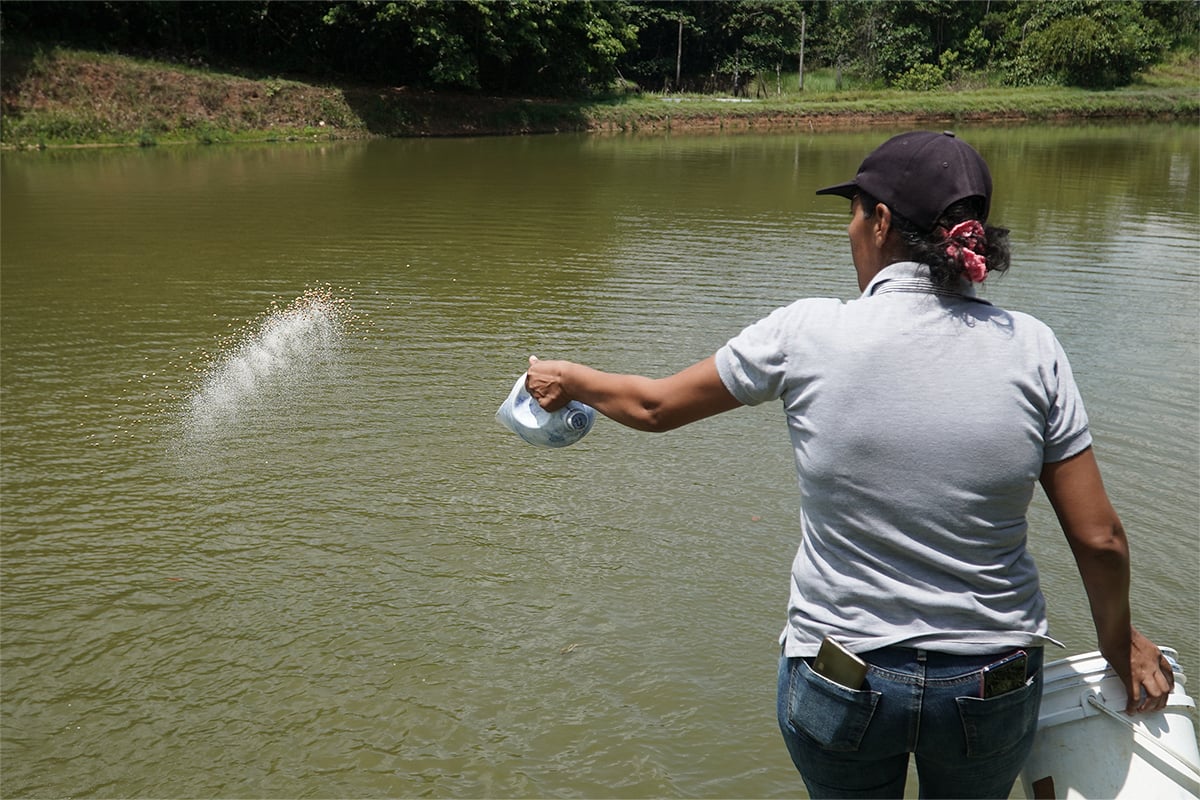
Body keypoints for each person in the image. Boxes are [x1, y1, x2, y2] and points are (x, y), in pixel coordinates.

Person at [524, 130, 1175, 799]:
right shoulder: (1032, 347)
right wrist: (1118, 640)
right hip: (992, 680)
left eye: (854, 211)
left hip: (843, 674)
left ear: (882, 221)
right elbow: (1100, 538)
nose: (850, 229)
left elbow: (653, 407)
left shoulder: (805, 334)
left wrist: (571, 378)